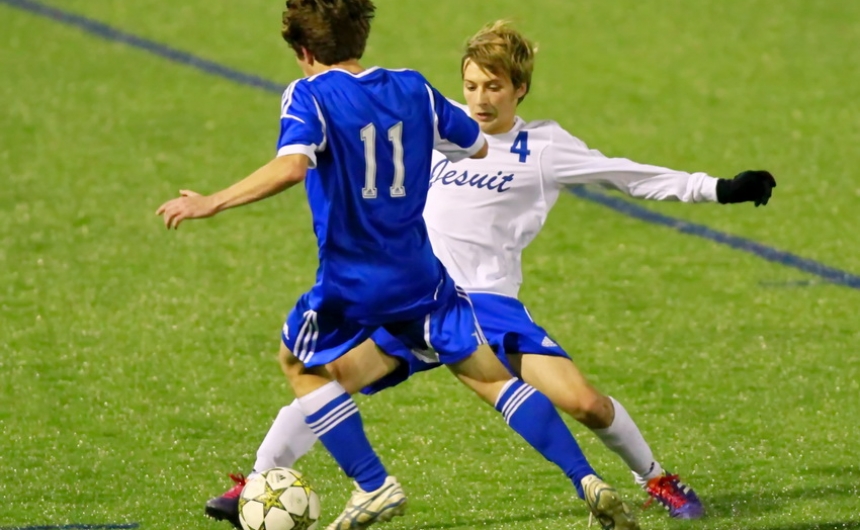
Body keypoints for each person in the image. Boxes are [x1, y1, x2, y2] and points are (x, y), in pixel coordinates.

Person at [205, 19, 778, 524]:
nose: (480, 100)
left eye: (494, 87)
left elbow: (629, 176)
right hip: (418, 294)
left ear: (519, 88)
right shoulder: (437, 127)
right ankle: (255, 482)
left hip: (489, 303)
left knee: (584, 403)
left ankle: (654, 478)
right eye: (472, 85)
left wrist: (718, 189)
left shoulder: (545, 147)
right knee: (330, 376)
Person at [159, 4, 640, 530]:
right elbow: (478, 147)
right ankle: (586, 477)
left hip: (353, 281)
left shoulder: (308, 94)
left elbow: (292, 166)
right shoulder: (413, 86)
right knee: (492, 379)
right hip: (422, 277)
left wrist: (213, 201)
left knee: (299, 363)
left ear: (304, 50)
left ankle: (372, 484)